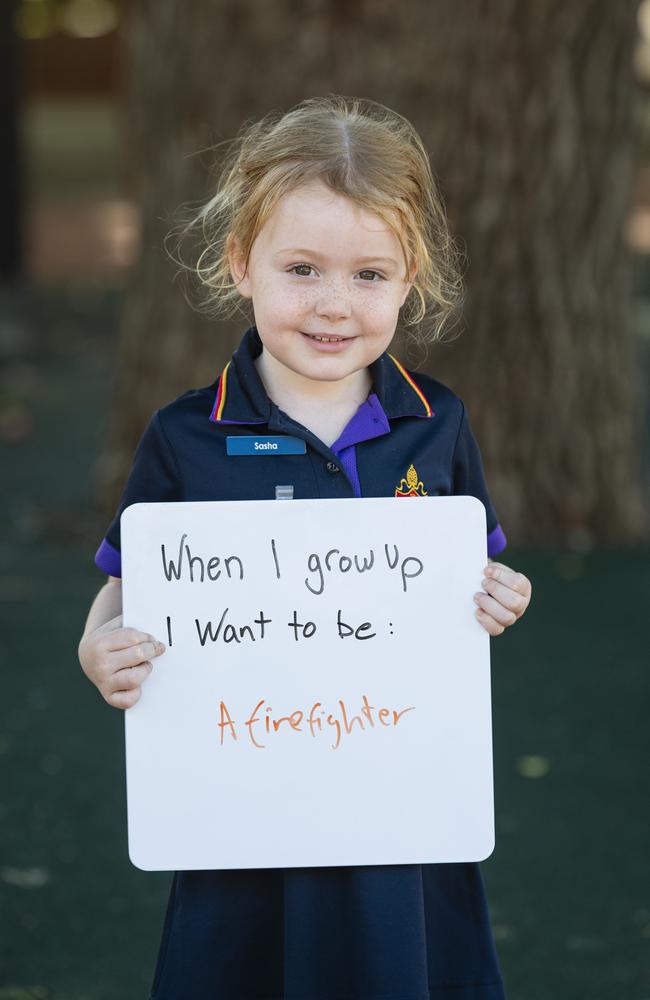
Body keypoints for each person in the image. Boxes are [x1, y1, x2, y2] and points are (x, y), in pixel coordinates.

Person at [79, 95, 532, 1000]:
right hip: (239, 806)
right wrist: (99, 646)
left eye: (370, 274)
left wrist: (502, 596)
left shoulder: (436, 422)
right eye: (302, 269)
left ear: (413, 279)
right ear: (241, 264)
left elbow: (472, 566)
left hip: (400, 806)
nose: (334, 304)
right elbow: (130, 580)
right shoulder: (184, 435)